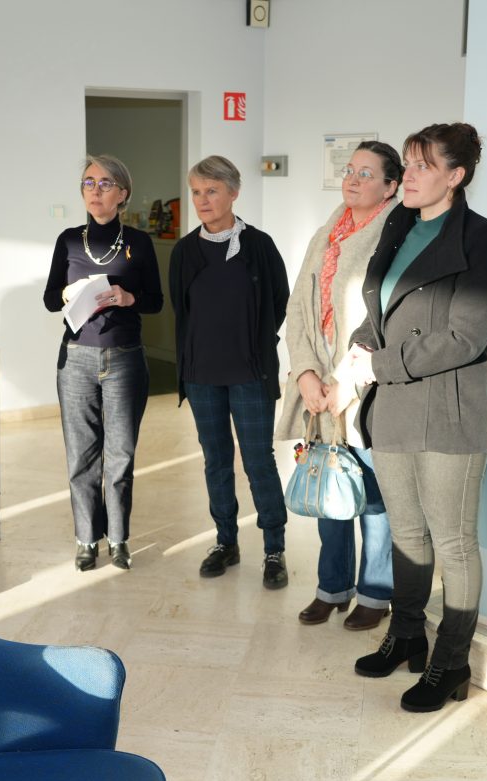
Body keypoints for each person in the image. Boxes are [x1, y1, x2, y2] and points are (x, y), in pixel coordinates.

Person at [343, 123, 487, 712]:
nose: (406, 176)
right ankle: (406, 634)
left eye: (420, 167)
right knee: (408, 533)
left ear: (455, 176)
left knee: (455, 542)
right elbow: (379, 306)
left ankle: (450, 664)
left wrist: (381, 364)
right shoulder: (399, 225)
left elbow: (466, 337)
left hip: (449, 411)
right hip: (392, 405)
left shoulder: (483, 239)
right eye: (406, 166)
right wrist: (362, 348)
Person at [275, 141, 402, 629]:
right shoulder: (329, 230)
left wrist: (342, 385)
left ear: (391, 187)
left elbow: (385, 319)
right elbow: (297, 309)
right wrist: (306, 373)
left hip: (365, 389)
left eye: (366, 174)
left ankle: (375, 593)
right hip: (319, 387)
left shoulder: (394, 234)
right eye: (350, 170)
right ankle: (332, 588)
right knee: (330, 487)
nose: (352, 179)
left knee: (371, 495)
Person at [170, 155, 291, 589]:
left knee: (259, 461)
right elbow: (180, 311)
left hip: (249, 374)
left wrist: (250, 345)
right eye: (197, 192)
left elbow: (279, 303)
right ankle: (225, 542)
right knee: (216, 461)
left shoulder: (259, 246)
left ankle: (274, 548)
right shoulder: (185, 251)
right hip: (202, 374)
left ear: (233, 193)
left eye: (212, 191)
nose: (202, 200)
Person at [43, 155, 162, 571]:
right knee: (81, 456)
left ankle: (119, 538)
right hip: (76, 357)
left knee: (121, 455)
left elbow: (156, 302)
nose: (95, 190)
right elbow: (48, 299)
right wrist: (66, 294)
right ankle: (85, 540)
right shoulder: (69, 240)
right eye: (89, 182)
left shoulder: (140, 242)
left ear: (122, 194)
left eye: (105, 183)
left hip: (125, 357)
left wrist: (128, 298)